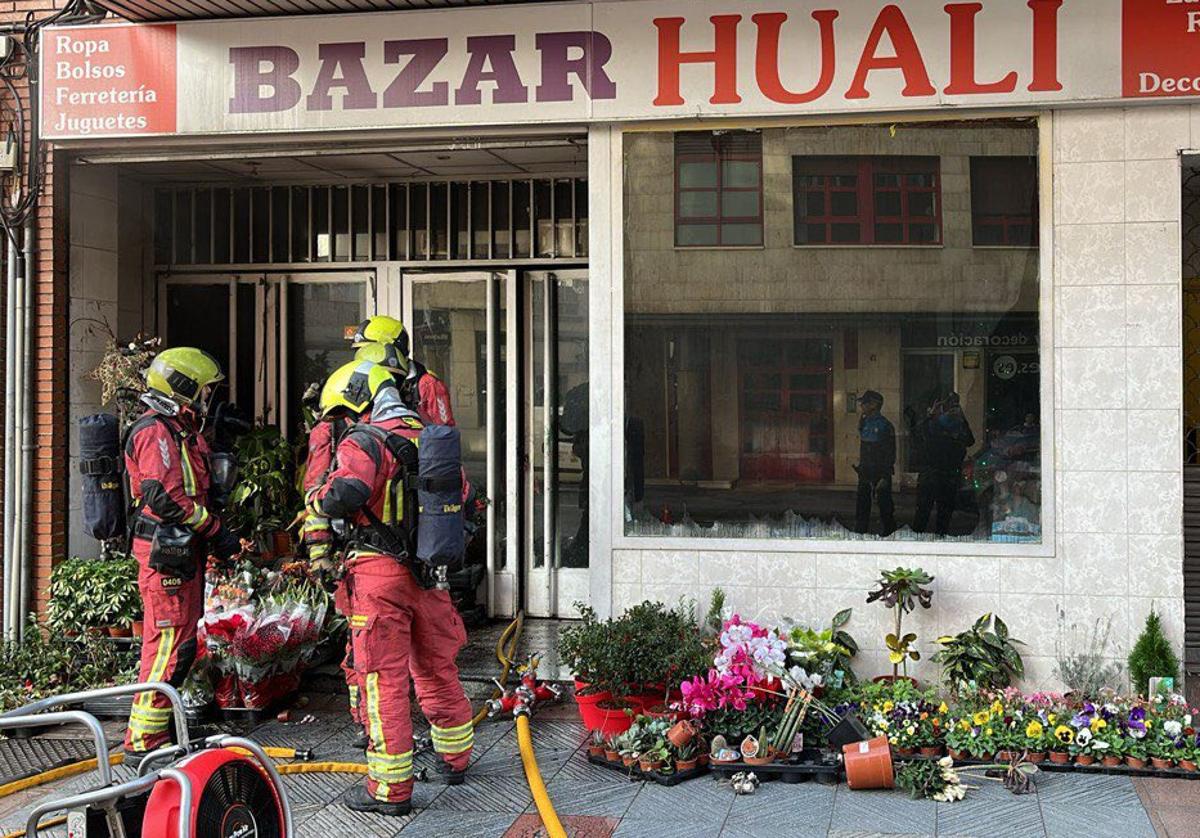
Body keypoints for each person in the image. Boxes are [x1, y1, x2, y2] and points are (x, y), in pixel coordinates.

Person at [305, 360, 474, 816]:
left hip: (380, 576)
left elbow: (346, 493)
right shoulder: (430, 433)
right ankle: (455, 757)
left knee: (383, 680)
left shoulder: (366, 439)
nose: (345, 420)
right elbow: (466, 497)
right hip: (429, 575)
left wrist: (316, 494)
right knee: (437, 666)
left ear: (359, 399)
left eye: (345, 410)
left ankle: (389, 788)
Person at [123, 348, 242, 759]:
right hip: (164, 550)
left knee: (183, 644)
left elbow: (197, 484)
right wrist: (214, 529)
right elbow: (165, 495)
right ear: (184, 387)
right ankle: (142, 742)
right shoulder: (155, 430)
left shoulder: (180, 430)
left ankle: (158, 733)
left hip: (182, 548)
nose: (208, 399)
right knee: (167, 644)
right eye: (204, 390)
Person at [352, 315, 455, 426]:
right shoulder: (360, 379)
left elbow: (444, 433)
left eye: (371, 351)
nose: (365, 357)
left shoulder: (428, 384)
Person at [912, 393, 976, 536]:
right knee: (930, 514)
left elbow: (970, 440)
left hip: (945, 475)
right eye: (948, 404)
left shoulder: (953, 424)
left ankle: (924, 540)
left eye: (953, 404)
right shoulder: (936, 424)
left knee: (935, 514)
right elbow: (917, 434)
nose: (950, 408)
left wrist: (961, 418)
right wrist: (932, 416)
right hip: (936, 474)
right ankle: (921, 541)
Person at [854, 390, 896, 537]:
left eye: (865, 403)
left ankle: (890, 536)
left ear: (874, 404)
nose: (862, 406)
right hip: (865, 470)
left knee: (885, 507)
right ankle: (860, 535)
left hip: (880, 470)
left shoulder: (885, 425)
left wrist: (885, 475)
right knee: (862, 507)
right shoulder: (865, 421)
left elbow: (890, 453)